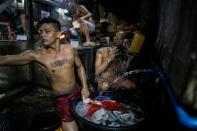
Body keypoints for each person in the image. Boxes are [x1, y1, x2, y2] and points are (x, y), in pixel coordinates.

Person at [0, 18, 90, 131]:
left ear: (58, 34)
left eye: (47, 31)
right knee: (70, 124)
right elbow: (6, 59)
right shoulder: (37, 55)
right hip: (62, 98)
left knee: (85, 119)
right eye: (40, 32)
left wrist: (85, 87)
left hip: (77, 91)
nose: (42, 35)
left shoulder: (70, 49)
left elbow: (80, 67)